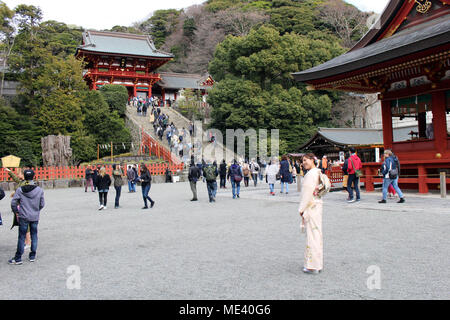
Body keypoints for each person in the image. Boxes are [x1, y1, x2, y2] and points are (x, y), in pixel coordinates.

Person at [9, 170, 45, 265]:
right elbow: (42, 204)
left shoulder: (20, 190)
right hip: (34, 216)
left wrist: (16, 211)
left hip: (23, 215)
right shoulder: (39, 190)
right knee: (34, 235)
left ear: (24, 177)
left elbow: (13, 202)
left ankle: (18, 258)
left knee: (21, 237)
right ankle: (32, 255)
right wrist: (36, 210)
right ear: (34, 177)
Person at [298, 153, 323, 275]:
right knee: (317, 234)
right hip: (317, 205)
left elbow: (307, 193)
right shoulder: (318, 172)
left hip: (311, 206)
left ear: (313, 160)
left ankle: (312, 265)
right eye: (303, 160)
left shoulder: (310, 175)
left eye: (306, 160)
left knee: (312, 236)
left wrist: (301, 209)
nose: (304, 162)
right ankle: (318, 263)